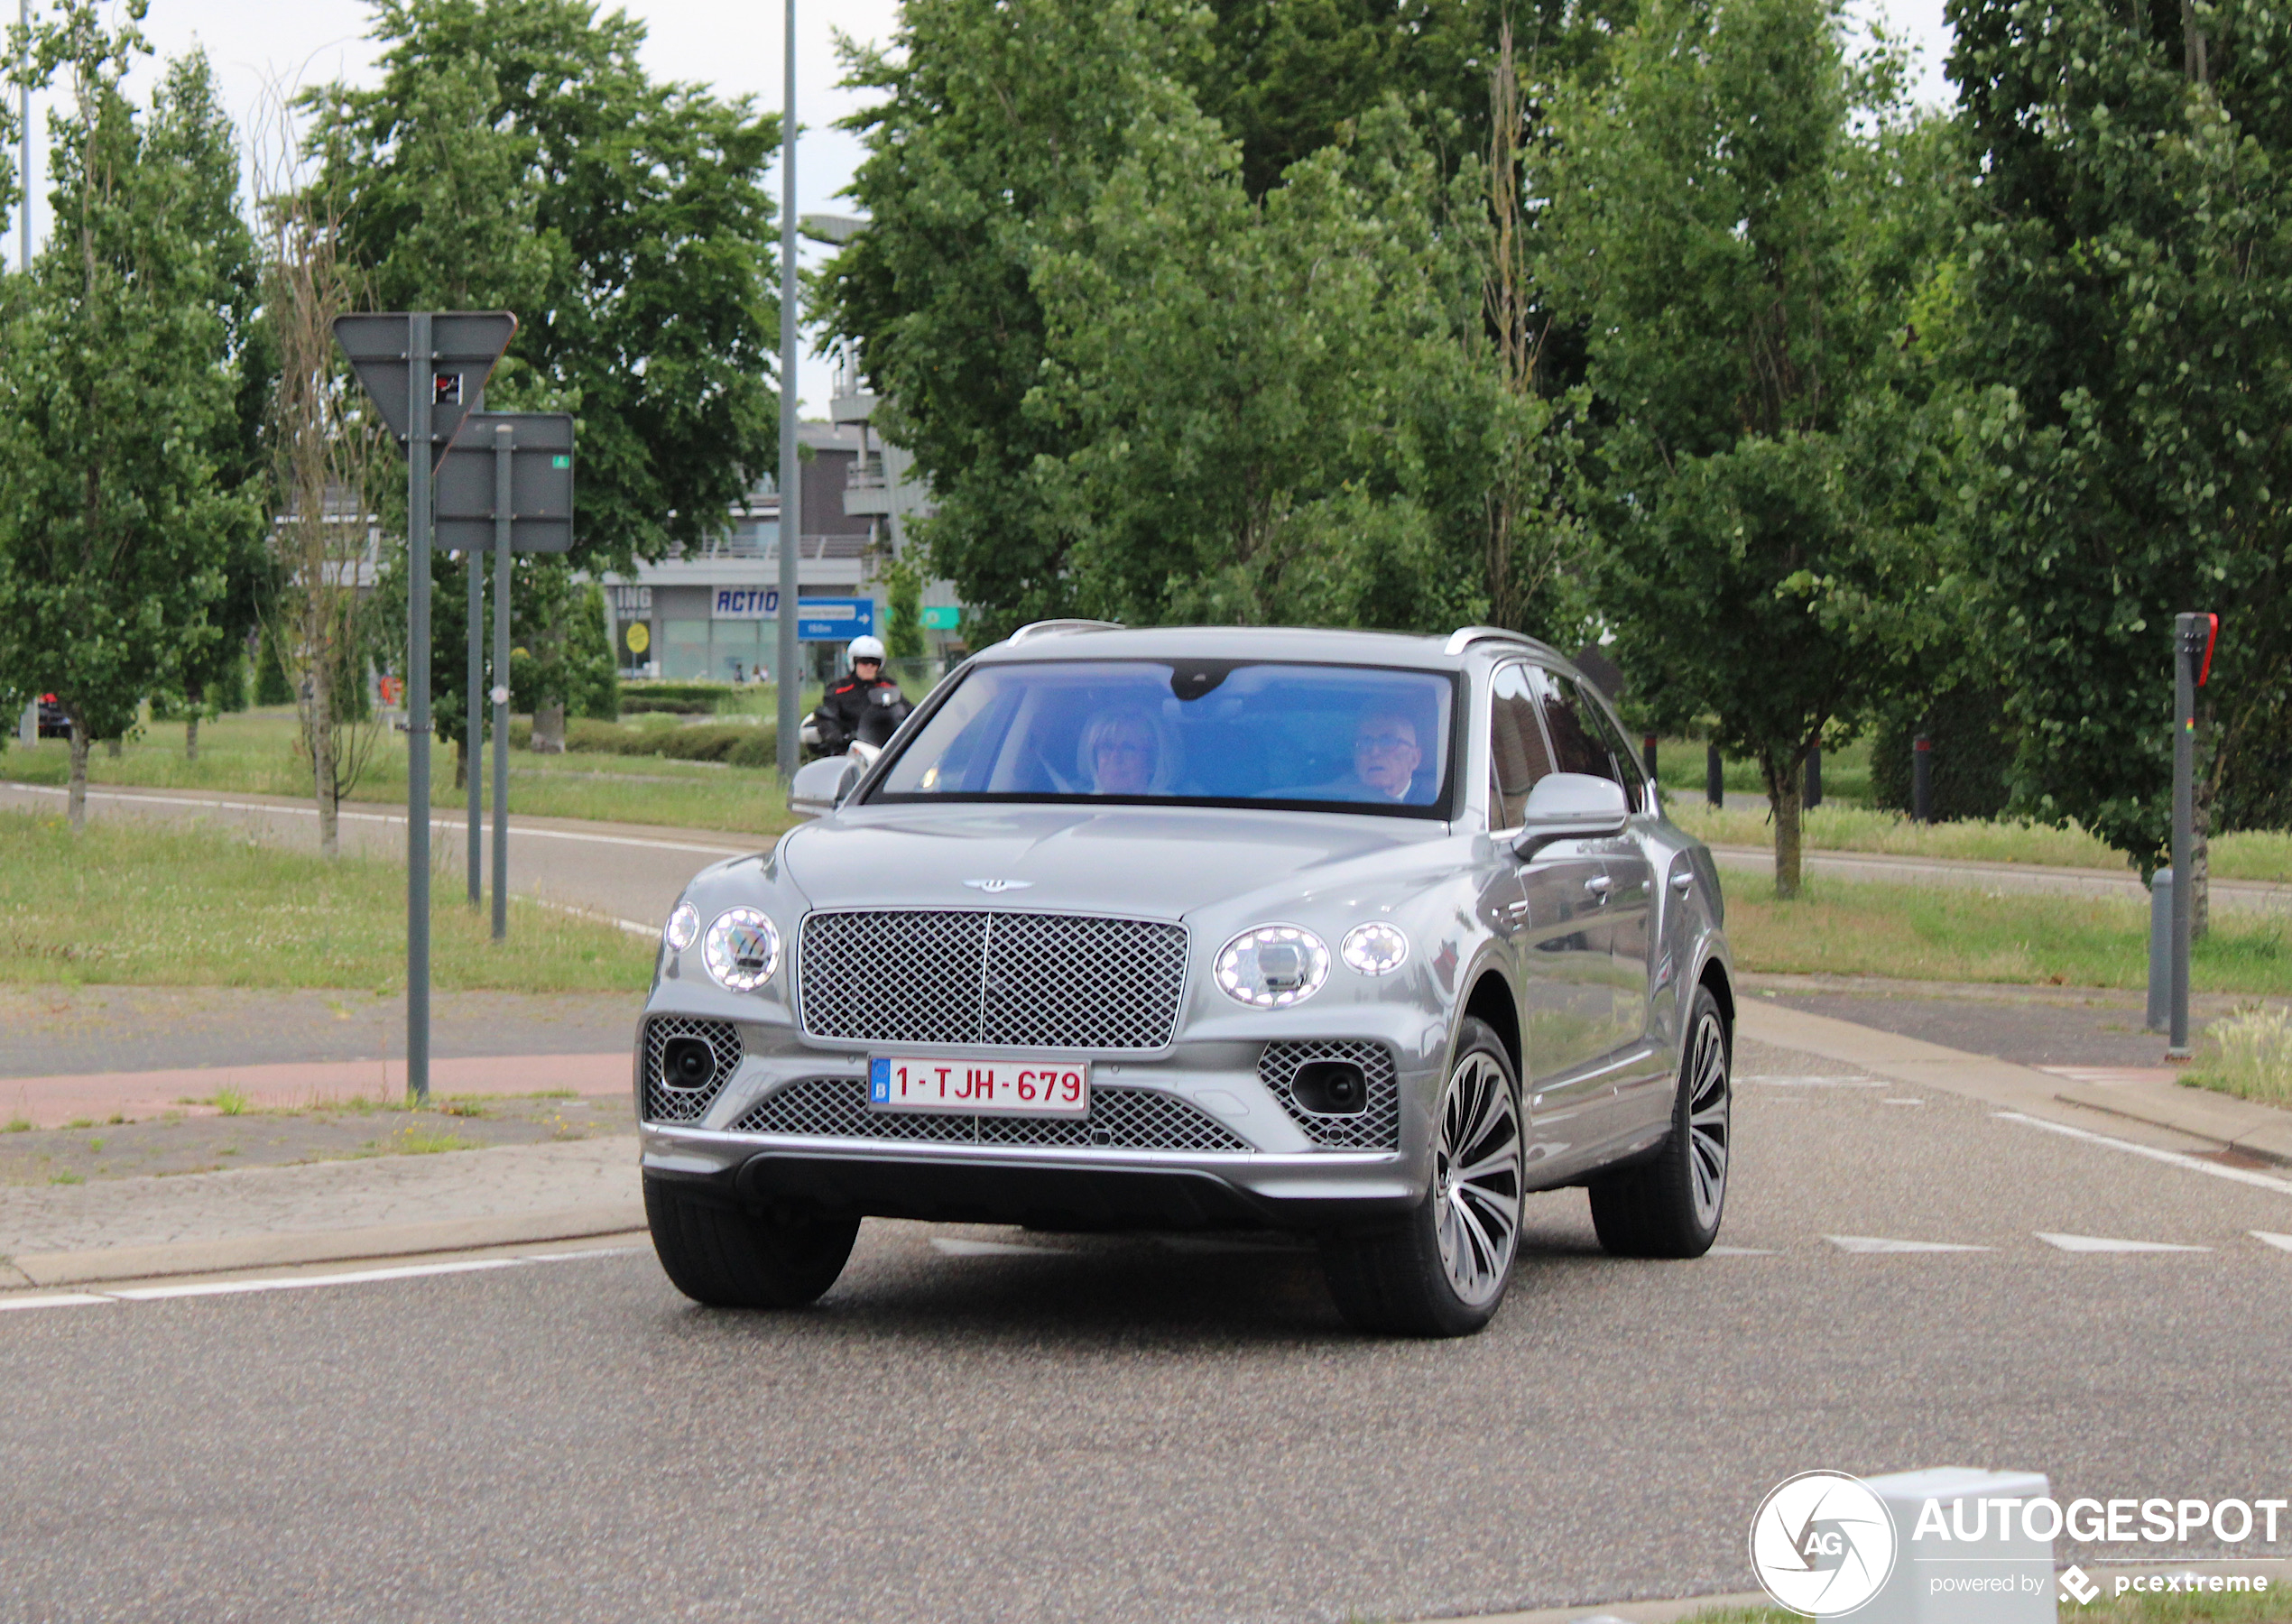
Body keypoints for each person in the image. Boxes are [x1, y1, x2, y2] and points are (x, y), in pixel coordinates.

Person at [808, 635, 910, 753]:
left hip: (889, 750)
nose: (869, 666)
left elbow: (909, 712)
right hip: (852, 752)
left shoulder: (889, 687)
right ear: (853, 662)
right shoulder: (839, 690)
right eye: (864, 662)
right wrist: (837, 736)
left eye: (874, 662)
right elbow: (828, 718)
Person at [1343, 710, 1424, 802]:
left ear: (1414, 758)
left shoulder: (1432, 807)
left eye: (1388, 742)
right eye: (1365, 742)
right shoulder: (1334, 798)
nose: (1374, 752)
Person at [1079, 711, 1160, 795]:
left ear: (1150, 762)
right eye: (1107, 747)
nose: (1115, 757)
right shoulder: (1078, 805)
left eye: (1128, 748)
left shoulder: (1168, 806)